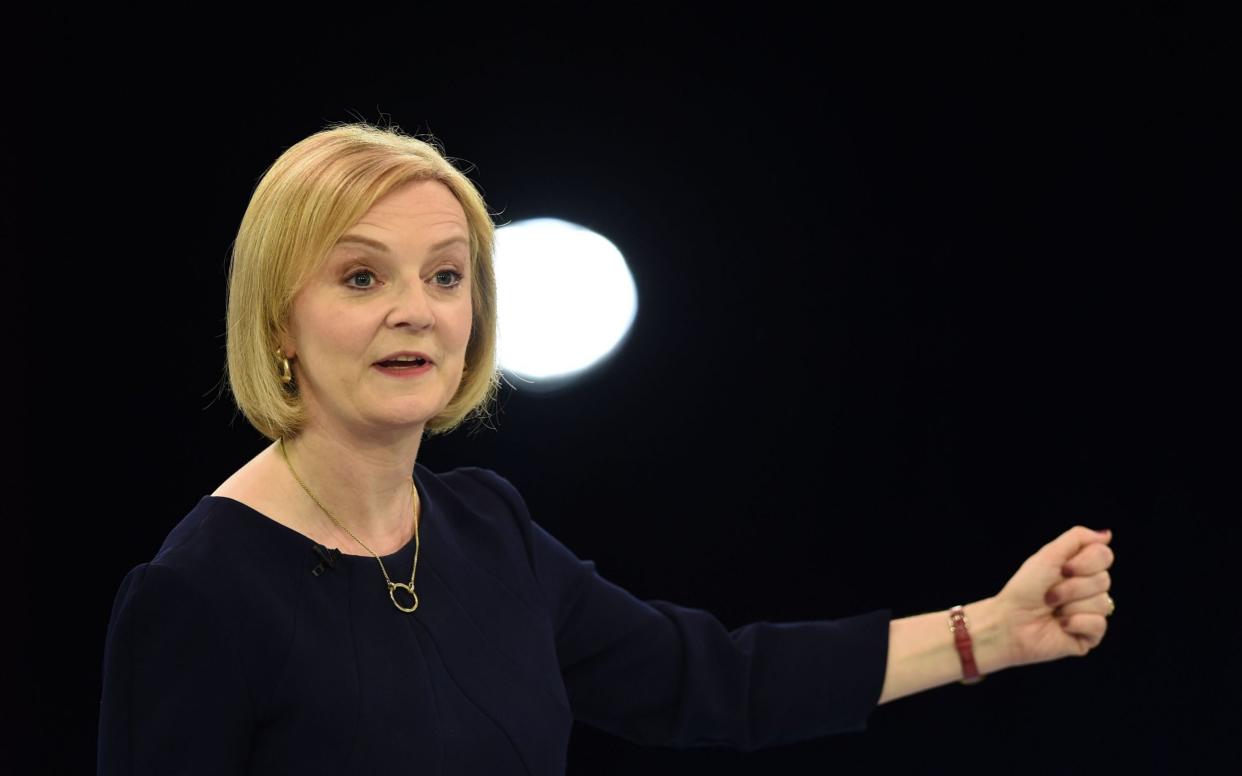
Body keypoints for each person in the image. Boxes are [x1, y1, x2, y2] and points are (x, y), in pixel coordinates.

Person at [96, 122, 1117, 775]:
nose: (416, 311)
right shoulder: (200, 592)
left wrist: (991, 630)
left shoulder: (485, 524)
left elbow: (708, 679)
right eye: (362, 278)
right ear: (279, 318)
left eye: (446, 276)